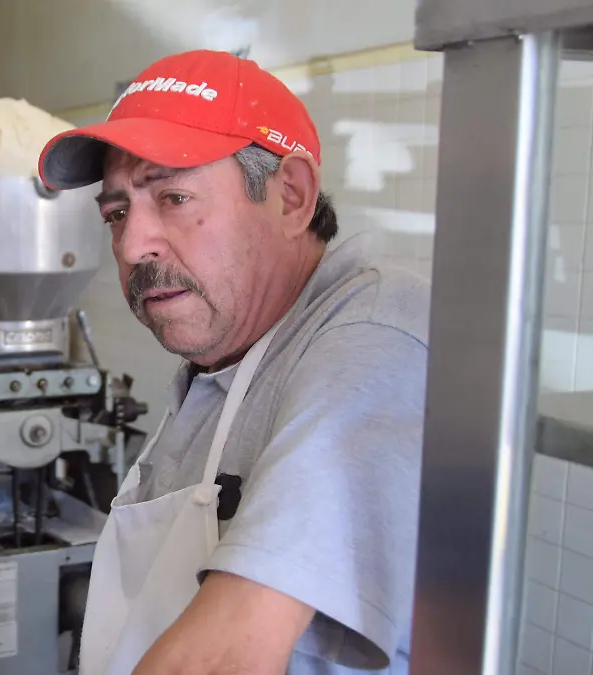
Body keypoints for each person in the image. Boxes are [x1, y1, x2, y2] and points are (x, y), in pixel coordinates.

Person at [37, 50, 428, 674]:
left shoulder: (375, 332)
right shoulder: (223, 360)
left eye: (174, 196)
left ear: (291, 196)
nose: (133, 245)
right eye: (117, 213)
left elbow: (223, 657)